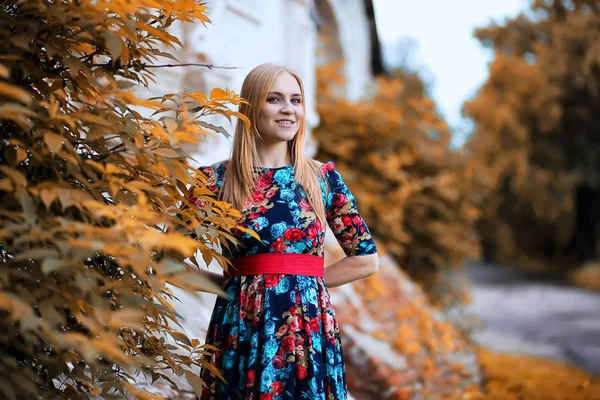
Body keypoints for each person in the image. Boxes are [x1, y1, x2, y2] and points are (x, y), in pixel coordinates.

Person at [187, 62, 379, 400]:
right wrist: (229, 287)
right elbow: (164, 260)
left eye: (296, 100)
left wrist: (302, 281)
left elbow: (366, 259)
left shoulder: (322, 178)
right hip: (240, 325)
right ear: (250, 107)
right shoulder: (214, 180)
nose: (288, 109)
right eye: (275, 99)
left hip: (308, 327)